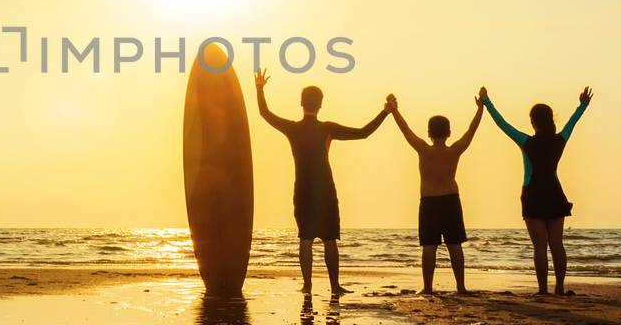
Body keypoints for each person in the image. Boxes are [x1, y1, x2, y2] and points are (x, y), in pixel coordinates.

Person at [254, 70, 388, 296]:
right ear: (321, 104)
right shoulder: (327, 128)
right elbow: (363, 133)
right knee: (329, 239)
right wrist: (385, 112)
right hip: (325, 189)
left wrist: (259, 88)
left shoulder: (293, 128)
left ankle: (307, 286)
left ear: (301, 103)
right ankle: (335, 286)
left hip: (303, 189)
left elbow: (264, 113)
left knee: (305, 238)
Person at [483, 86, 593, 296]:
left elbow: (502, 124)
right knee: (557, 244)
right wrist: (583, 105)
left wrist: (487, 101)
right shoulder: (560, 139)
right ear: (550, 119)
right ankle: (559, 287)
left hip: (533, 195)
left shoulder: (526, 141)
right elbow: (573, 121)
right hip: (554, 194)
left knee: (540, 247)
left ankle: (543, 289)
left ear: (533, 121)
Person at [386, 87, 485, 294]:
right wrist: (481, 107)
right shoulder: (454, 150)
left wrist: (394, 110)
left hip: (429, 201)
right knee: (454, 244)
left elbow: (405, 129)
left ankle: (428, 288)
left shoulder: (423, 149)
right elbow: (471, 130)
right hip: (450, 200)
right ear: (448, 132)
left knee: (429, 246)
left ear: (429, 132)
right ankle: (461, 287)